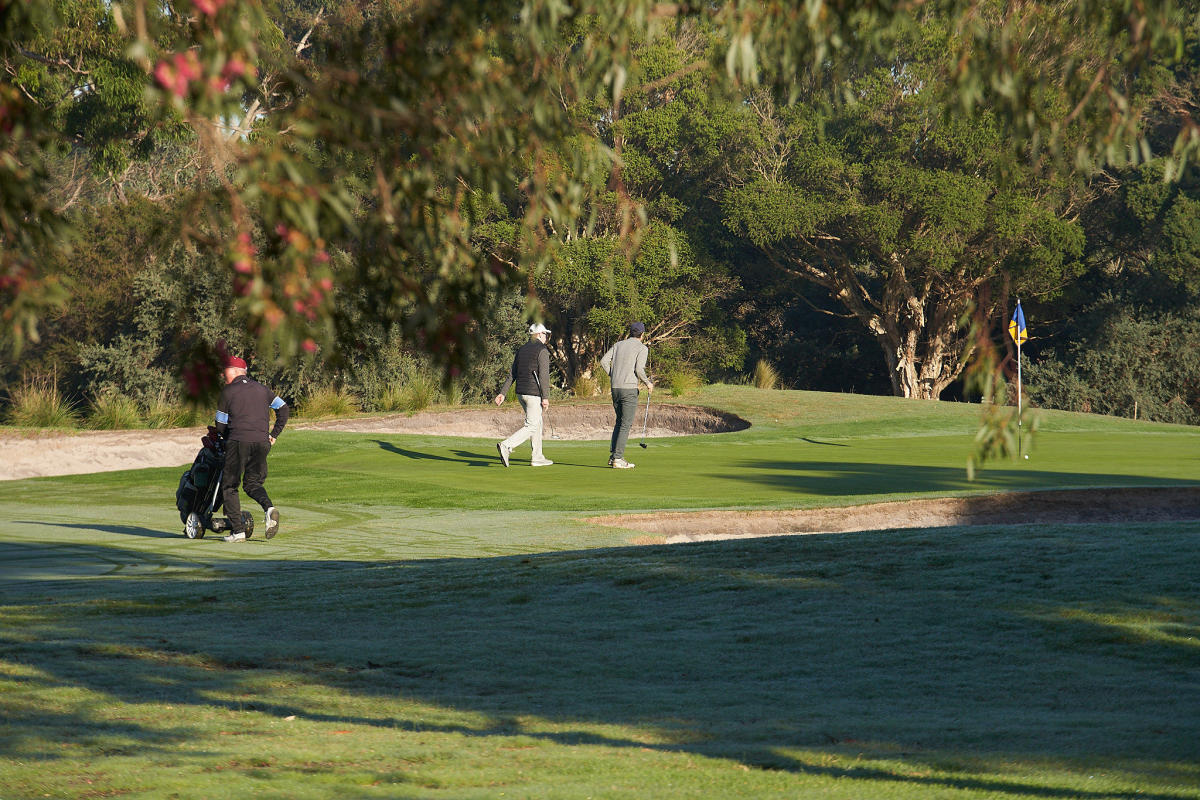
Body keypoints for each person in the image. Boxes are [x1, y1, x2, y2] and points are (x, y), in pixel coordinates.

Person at [214, 355, 289, 542]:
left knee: (230, 486)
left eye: (224, 371)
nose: (222, 375)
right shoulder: (262, 389)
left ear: (234, 371)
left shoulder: (228, 391)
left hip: (238, 441)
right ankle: (269, 509)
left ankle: (238, 531)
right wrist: (274, 434)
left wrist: (226, 438)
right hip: (262, 442)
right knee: (252, 484)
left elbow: (220, 424)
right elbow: (283, 408)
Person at [493, 323, 554, 468]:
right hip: (533, 394)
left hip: (521, 393)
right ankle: (506, 445)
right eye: (545, 334)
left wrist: (503, 393)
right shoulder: (542, 350)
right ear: (539, 334)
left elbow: (512, 374)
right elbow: (544, 376)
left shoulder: (521, 349)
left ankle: (537, 457)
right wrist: (545, 397)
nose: (546, 337)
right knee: (532, 425)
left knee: (537, 422)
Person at [600, 321, 653, 469]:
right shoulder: (642, 348)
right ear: (642, 334)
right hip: (628, 389)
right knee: (625, 424)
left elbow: (603, 362)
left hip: (615, 388)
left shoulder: (618, 345)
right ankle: (618, 458)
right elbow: (639, 369)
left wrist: (613, 375)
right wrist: (648, 383)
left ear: (630, 332)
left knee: (619, 422)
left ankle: (613, 456)